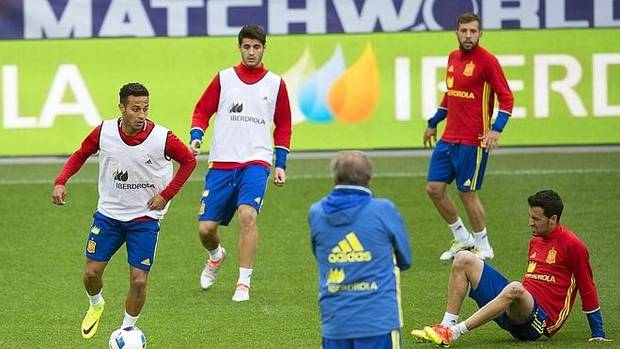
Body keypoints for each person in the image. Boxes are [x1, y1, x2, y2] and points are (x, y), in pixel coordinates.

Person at [51, 82, 196, 339]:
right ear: (122, 108)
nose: (141, 115)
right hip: (109, 214)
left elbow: (189, 161)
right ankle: (96, 304)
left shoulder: (163, 138)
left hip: (145, 218)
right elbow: (81, 153)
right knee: (91, 273)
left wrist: (166, 194)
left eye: (146, 109)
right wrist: (61, 181)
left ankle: (127, 328)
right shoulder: (104, 132)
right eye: (135, 109)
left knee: (139, 280)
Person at [412, 190, 610, 346]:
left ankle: (453, 334)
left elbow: (587, 288)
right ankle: (446, 326)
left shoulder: (573, 245)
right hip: (517, 307)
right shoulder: (536, 242)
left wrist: (598, 333)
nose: (530, 223)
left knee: (515, 287)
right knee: (463, 258)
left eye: (536, 219)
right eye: (530, 217)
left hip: (539, 322)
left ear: (553, 219)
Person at [189, 24, 292, 301]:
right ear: (240, 47)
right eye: (246, 46)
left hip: (256, 161)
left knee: (248, 215)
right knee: (206, 229)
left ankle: (243, 283)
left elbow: (283, 126)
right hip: (222, 161)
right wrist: (196, 136)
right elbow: (201, 110)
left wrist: (280, 163)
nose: (251, 52)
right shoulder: (223, 79)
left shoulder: (275, 83)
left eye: (256, 47)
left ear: (264, 48)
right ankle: (215, 255)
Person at [423, 12, 514, 261]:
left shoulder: (488, 61)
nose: (468, 36)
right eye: (464, 31)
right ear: (457, 32)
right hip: (448, 138)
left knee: (467, 193)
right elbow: (450, 95)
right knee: (434, 188)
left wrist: (496, 130)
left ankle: (484, 246)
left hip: (474, 141)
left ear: (480, 34)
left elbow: (507, 98)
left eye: (473, 31)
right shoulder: (453, 58)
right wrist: (433, 123)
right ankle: (462, 238)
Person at [308, 151, 412, 349]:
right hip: (377, 322)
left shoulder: (317, 213)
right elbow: (405, 259)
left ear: (335, 176)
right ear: (368, 177)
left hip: (335, 324)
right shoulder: (383, 210)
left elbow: (319, 254)